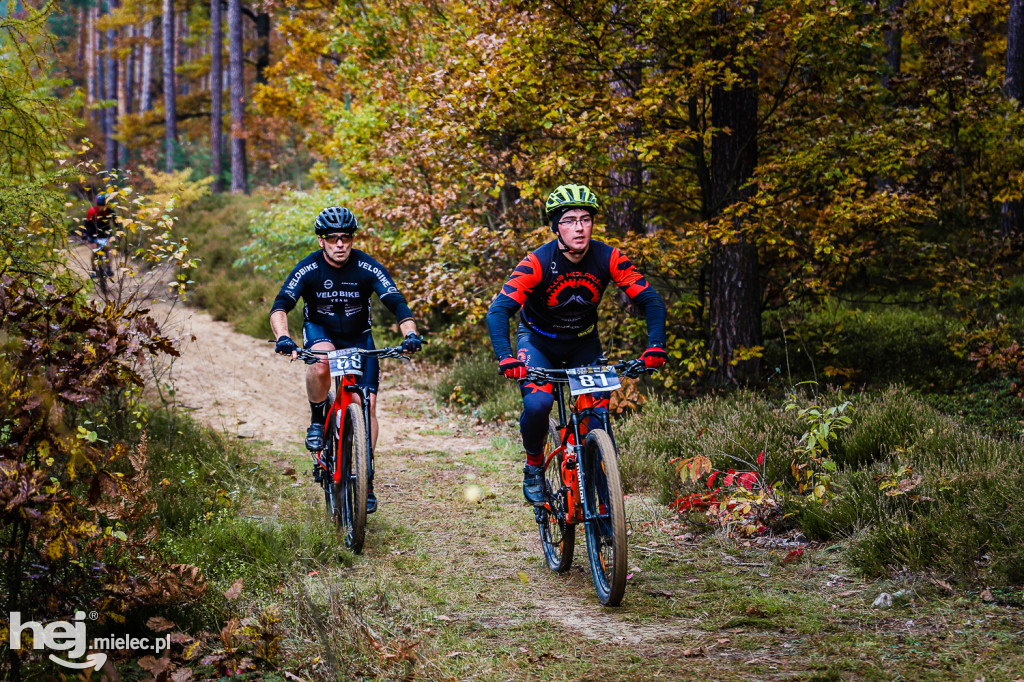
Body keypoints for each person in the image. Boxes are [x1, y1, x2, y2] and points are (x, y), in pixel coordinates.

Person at [486, 183, 668, 506]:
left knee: (596, 422)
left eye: (585, 218)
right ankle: (533, 466)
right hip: (539, 343)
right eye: (570, 220)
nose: (579, 227)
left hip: (584, 345)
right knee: (539, 405)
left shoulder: (608, 257)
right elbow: (499, 310)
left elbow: (650, 300)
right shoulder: (537, 262)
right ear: (556, 226)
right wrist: (506, 357)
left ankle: (605, 511)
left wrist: (655, 346)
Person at [270, 206, 422, 513]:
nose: (340, 244)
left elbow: (396, 301)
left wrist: (410, 334)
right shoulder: (309, 269)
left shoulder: (366, 266)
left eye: (346, 238)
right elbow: (281, 304)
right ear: (321, 241)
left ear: (352, 239)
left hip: (358, 338)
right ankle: (317, 419)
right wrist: (283, 338)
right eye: (333, 238)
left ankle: (364, 474)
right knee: (321, 361)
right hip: (322, 332)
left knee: (365, 405)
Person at [83, 193, 114, 277]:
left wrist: (119, 232)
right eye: (99, 205)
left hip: (105, 234)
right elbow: (86, 225)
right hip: (93, 233)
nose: (101, 207)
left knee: (109, 250)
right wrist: (85, 236)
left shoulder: (109, 211)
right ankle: (93, 270)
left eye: (103, 204)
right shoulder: (92, 211)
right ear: (97, 204)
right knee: (94, 251)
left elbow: (116, 222)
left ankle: (108, 268)